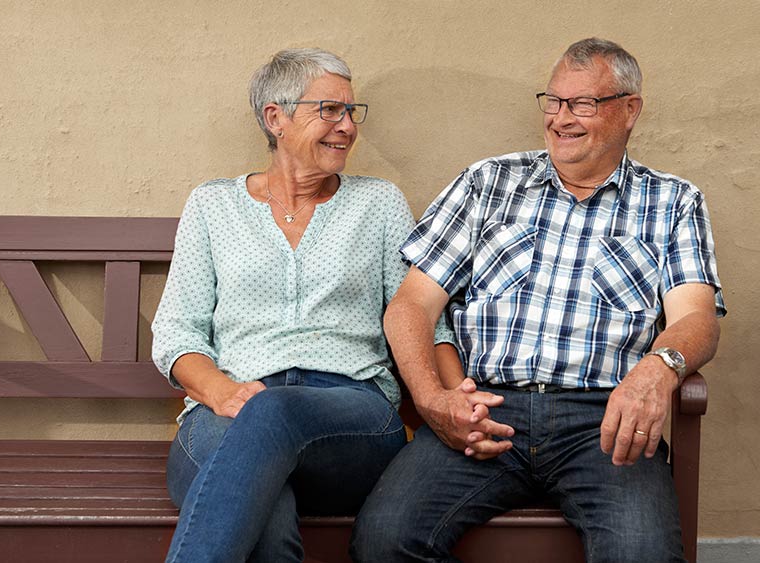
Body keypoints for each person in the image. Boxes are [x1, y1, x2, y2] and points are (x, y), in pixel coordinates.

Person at [351, 38, 726, 563]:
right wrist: (435, 402)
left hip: (603, 421)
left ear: (630, 110)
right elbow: (411, 306)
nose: (560, 118)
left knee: (641, 552)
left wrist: (656, 372)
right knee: (383, 539)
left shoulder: (672, 201)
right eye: (552, 101)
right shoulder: (489, 183)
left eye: (583, 104)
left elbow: (698, 322)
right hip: (486, 409)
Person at [151, 48, 454, 563]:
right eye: (330, 110)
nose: (347, 126)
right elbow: (177, 333)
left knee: (266, 420)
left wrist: (449, 400)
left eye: (351, 112)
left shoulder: (378, 203)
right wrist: (222, 393)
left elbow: (422, 318)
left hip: (351, 416)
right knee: (264, 510)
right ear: (277, 117)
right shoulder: (212, 206)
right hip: (229, 407)